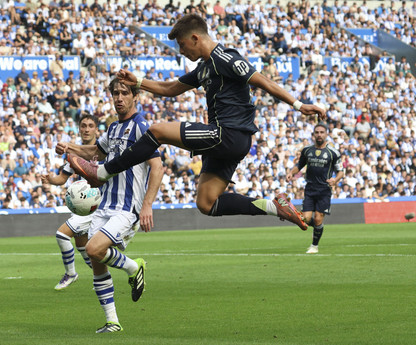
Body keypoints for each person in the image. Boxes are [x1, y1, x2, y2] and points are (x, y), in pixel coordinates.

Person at [62, 14, 326, 231]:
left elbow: (263, 81)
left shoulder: (226, 58)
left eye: (182, 45)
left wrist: (299, 105)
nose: (181, 50)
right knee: (207, 203)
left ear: (195, 38)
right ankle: (274, 207)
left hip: (228, 134)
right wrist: (138, 82)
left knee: (156, 130)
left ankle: (103, 172)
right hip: (227, 141)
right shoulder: (204, 67)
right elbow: (171, 88)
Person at [55, 78, 164, 333]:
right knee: (96, 261)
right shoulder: (113, 128)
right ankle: (112, 321)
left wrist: (147, 206)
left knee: (93, 249)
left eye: (124, 93)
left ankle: (133, 266)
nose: (119, 98)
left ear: (135, 96)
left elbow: (157, 167)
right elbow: (96, 152)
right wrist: (70, 147)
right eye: (115, 93)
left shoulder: (141, 127)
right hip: (103, 206)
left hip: (127, 208)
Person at [42, 114, 99, 290]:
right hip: (85, 205)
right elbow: (63, 178)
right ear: (79, 128)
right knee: (82, 245)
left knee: (62, 235)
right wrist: (51, 180)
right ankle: (103, 275)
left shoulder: (103, 149)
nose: (86, 129)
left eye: (90, 126)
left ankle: (71, 273)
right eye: (83, 126)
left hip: (99, 204)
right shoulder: (74, 153)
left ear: (96, 129)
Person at [286, 124, 344, 254]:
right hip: (310, 189)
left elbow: (341, 171)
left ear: (326, 134)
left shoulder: (333, 152)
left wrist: (335, 180)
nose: (319, 134)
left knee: (318, 218)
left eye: (322, 132)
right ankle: (319, 227)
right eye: (317, 132)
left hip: (324, 190)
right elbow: (299, 165)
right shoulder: (307, 150)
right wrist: (291, 172)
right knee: (305, 219)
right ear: (313, 134)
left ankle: (314, 246)